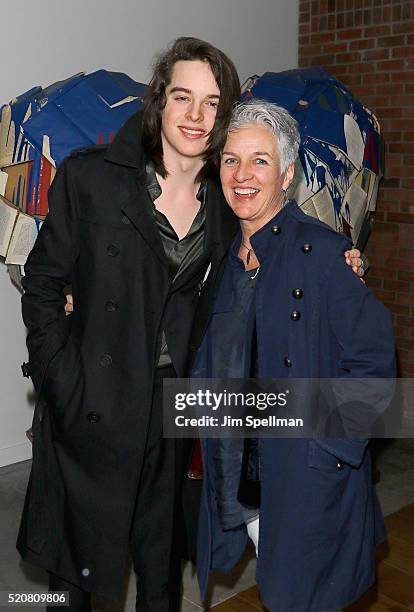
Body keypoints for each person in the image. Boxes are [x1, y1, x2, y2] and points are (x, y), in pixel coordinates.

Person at [18, 37, 362, 611]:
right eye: (183, 97)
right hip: (92, 401)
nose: (196, 116)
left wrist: (340, 259)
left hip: (174, 407)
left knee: (162, 570)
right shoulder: (94, 179)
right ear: (160, 101)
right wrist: (59, 375)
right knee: (77, 577)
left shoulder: (229, 199)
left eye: (211, 102)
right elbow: (44, 282)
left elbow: (286, 235)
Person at [191, 100, 396, 612]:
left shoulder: (325, 253)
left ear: (286, 175)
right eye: (231, 160)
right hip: (238, 478)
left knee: (294, 596)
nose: (242, 175)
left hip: (304, 480)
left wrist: (323, 451)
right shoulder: (220, 260)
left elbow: (374, 368)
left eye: (260, 160)